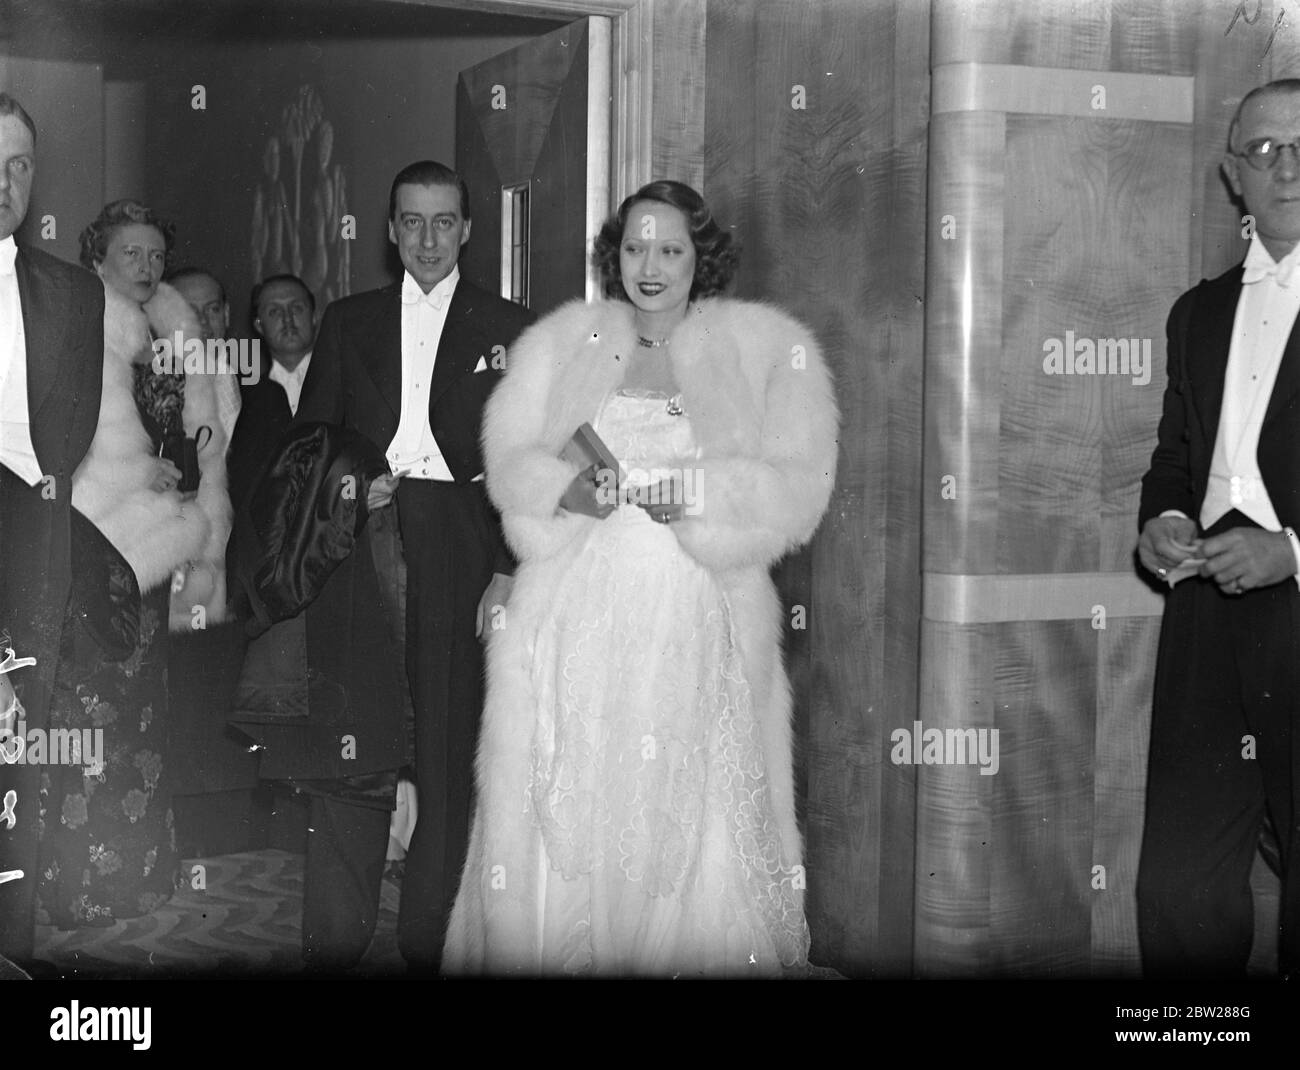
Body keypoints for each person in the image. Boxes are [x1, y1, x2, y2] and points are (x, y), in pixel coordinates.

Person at [444, 180, 839, 976]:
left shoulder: (761, 346)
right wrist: (563, 488)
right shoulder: (565, 341)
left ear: (703, 255)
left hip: (691, 604)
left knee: (677, 801)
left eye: (670, 249)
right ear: (613, 254)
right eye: (634, 248)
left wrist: (698, 494)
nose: (649, 267)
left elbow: (799, 489)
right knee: (572, 778)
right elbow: (510, 463)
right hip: (578, 603)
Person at [291, 160, 534, 972]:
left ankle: (427, 940)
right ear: (390, 231)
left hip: (462, 543)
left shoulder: (512, 325)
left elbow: (531, 463)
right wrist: (352, 487)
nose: (428, 238)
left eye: (444, 222)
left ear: (467, 229)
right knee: (350, 748)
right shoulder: (347, 322)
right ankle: (334, 938)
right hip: (364, 543)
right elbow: (306, 449)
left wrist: (506, 568)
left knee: (447, 748)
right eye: (411, 221)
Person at [1137, 78, 1300, 979]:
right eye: (1262, 150)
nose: (1284, 165)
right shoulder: (1196, 312)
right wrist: (1162, 520)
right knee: (1180, 888)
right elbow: (1174, 459)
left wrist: (1290, 553)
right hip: (1205, 621)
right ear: (1232, 175)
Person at [31, 199, 230, 928]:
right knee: (86, 719)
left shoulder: (168, 328)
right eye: (130, 255)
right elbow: (61, 446)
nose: (147, 269)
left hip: (149, 547)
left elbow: (188, 435)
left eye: (155, 256)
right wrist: (129, 477)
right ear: (97, 259)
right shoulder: (77, 323)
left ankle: (139, 878)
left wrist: (170, 469)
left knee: (142, 720)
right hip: (92, 546)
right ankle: (79, 883)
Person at [0, 92, 105, 964]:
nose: (3, 181)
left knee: (15, 749)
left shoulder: (71, 290)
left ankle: (12, 944)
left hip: (30, 544)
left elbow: (70, 433)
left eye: (20, 163)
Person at [166, 266, 240, 446]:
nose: (202, 321)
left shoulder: (268, 396)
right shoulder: (147, 396)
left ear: (226, 314)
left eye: (213, 309)